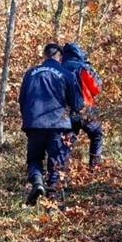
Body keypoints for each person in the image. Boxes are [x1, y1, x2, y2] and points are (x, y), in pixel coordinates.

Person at [19, 43, 83, 205]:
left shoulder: (30, 73)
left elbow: (22, 100)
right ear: (59, 56)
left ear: (44, 55)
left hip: (34, 124)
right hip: (58, 124)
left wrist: (28, 120)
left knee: (34, 159)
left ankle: (37, 183)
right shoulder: (66, 74)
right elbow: (77, 104)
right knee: (56, 162)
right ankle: (52, 199)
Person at [60, 42, 105, 170]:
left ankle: (63, 173)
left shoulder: (59, 68)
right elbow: (96, 89)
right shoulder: (83, 67)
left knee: (67, 141)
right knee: (97, 134)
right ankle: (94, 167)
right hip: (86, 110)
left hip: (65, 112)